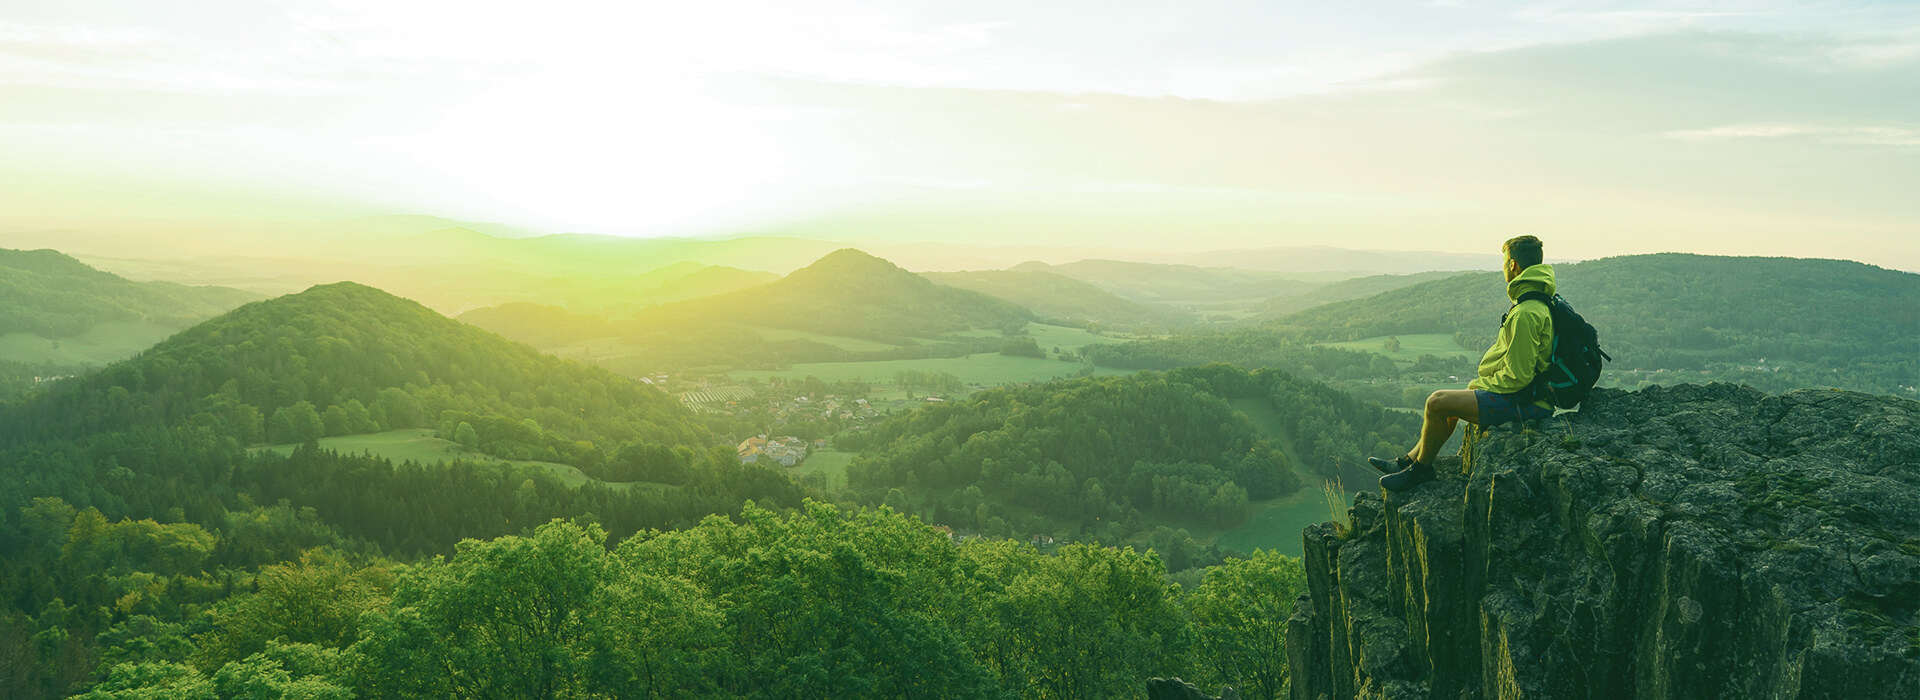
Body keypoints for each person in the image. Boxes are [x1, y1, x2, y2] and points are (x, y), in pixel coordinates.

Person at [1370, 235, 1556, 491]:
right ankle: (1408, 460)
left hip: (1528, 403)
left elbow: (1519, 377)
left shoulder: (1525, 313)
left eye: (1504, 262)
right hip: (1529, 398)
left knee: (1436, 403)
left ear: (1513, 265)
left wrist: (1482, 385)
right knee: (1453, 400)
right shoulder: (1537, 301)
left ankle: (1421, 471)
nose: (1503, 267)